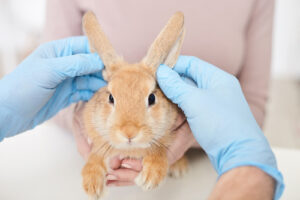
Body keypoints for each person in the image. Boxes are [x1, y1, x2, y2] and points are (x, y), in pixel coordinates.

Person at [0, 37, 284, 199]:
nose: (129, 130)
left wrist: (238, 157)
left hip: (199, 172)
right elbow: (67, 101)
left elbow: (252, 104)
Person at [43, 0, 275, 171]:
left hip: (205, 169)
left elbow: (253, 106)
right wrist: (89, 124)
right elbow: (49, 88)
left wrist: (192, 133)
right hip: (93, 161)